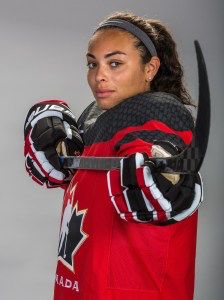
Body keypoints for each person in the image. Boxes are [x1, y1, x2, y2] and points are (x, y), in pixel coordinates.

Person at [24, 11, 203, 300]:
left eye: (115, 63)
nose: (99, 75)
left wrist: (163, 179)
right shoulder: (94, 120)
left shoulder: (160, 113)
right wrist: (53, 148)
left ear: (150, 68)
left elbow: (158, 161)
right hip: (80, 285)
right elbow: (73, 180)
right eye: (92, 64)